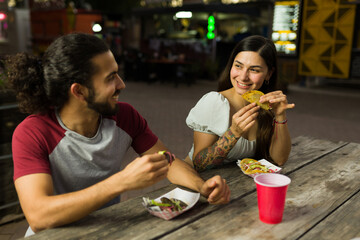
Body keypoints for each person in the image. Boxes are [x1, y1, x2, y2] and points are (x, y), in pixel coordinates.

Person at [5, 33, 230, 236]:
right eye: (111, 77)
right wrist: (121, 182)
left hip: (106, 230)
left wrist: (202, 187)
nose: (121, 84)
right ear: (79, 91)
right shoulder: (32, 133)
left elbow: (167, 161)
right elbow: (39, 216)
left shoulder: (125, 116)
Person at [184, 35, 295, 172]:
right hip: (197, 184)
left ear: (269, 74)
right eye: (238, 66)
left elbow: (279, 159)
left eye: (254, 70)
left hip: (235, 187)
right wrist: (233, 133)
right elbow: (199, 164)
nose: (243, 76)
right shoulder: (214, 102)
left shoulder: (265, 105)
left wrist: (280, 116)